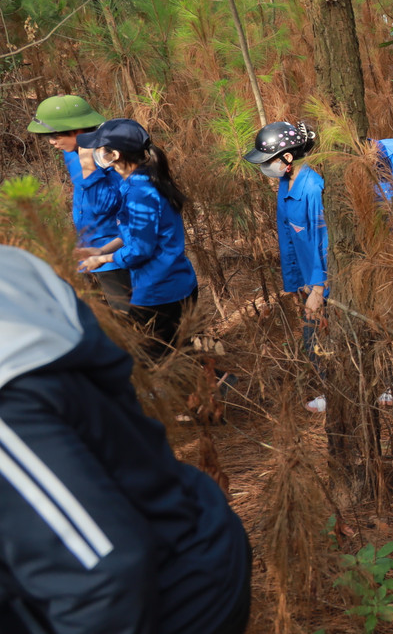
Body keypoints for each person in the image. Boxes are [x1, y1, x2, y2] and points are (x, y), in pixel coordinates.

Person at [0, 247, 251, 634]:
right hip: (186, 524)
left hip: (170, 596)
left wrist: (110, 256)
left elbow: (104, 577)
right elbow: (112, 381)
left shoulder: (10, 405)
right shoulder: (16, 266)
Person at [75, 120, 198, 357]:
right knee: (176, 353)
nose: (94, 155)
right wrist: (100, 251)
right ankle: (215, 385)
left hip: (159, 291)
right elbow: (132, 233)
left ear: (114, 155)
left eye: (98, 149)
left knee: (155, 359)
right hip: (174, 283)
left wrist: (104, 260)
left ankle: (215, 385)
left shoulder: (139, 193)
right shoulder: (142, 180)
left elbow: (141, 249)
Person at [242, 121, 335, 413]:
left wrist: (318, 289)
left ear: (287, 158)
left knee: (318, 342)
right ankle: (338, 392)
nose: (265, 167)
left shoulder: (312, 187)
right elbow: (288, 240)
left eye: (268, 161)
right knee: (318, 342)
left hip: (327, 280)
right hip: (309, 279)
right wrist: (296, 283)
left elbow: (324, 241)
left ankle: (342, 395)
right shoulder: (285, 184)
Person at [27, 94, 129, 312]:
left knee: (128, 319)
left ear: (79, 131)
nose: (51, 142)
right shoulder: (72, 153)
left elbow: (104, 206)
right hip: (87, 248)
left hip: (114, 252)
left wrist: (89, 166)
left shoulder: (109, 155)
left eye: (55, 135)